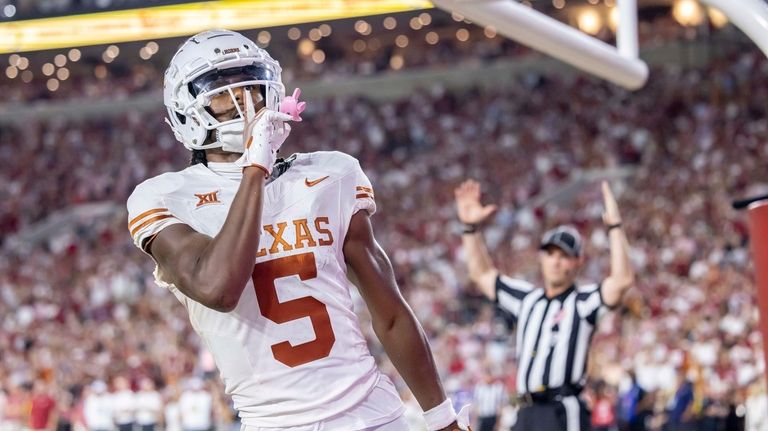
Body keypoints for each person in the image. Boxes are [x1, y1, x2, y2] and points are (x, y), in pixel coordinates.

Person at [127, 29, 468, 431]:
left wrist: (442, 417)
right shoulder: (165, 196)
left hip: (373, 414)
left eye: (253, 88)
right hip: (277, 422)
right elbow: (218, 288)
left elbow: (391, 312)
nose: (246, 103)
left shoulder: (331, 173)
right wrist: (256, 168)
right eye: (223, 93)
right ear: (186, 110)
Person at [455, 179, 635, 431]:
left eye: (564, 255)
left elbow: (622, 280)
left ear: (578, 261)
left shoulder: (582, 302)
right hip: (526, 411)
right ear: (541, 257)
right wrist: (470, 228)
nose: (556, 262)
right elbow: (482, 275)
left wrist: (615, 226)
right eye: (550, 254)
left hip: (562, 410)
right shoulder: (528, 300)